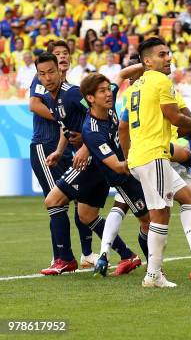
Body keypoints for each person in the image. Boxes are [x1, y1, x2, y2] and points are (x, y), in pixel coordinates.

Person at [123, 37, 191, 288]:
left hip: (141, 156)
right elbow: (173, 116)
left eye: (168, 53)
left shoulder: (134, 87)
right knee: (160, 216)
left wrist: (128, 157)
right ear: (147, 61)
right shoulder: (160, 80)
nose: (168, 58)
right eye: (161, 54)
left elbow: (122, 127)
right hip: (154, 155)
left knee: (188, 197)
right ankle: (153, 274)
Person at [37, 52, 137, 276]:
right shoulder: (50, 98)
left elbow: (92, 115)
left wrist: (84, 147)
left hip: (92, 160)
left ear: (60, 71)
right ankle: (128, 255)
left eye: (52, 71)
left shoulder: (72, 94)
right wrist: (59, 151)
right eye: (42, 74)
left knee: (53, 200)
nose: (48, 77)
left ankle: (64, 259)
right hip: (102, 162)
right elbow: (69, 126)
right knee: (86, 215)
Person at [79, 70, 153, 277]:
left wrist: (147, 65)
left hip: (135, 163)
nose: (109, 93)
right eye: (102, 91)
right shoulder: (92, 131)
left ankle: (121, 256)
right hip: (124, 176)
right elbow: (118, 166)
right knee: (148, 220)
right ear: (90, 99)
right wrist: (146, 158)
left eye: (108, 90)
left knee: (150, 214)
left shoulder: (107, 103)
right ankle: (152, 265)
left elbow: (120, 75)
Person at [30, 42, 95, 274]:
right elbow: (33, 104)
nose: (61, 57)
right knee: (57, 201)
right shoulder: (43, 82)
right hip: (45, 145)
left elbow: (94, 110)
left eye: (65, 54)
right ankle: (61, 255)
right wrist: (61, 119)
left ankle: (87, 253)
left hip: (72, 148)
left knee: (80, 201)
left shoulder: (71, 90)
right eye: (57, 54)